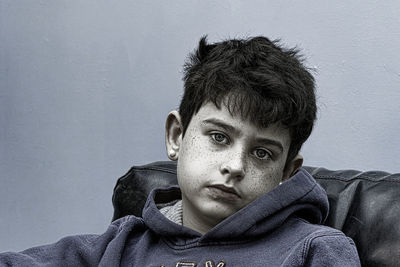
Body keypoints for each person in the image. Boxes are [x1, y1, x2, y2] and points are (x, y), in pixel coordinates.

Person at [0, 36, 361, 266]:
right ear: (176, 135)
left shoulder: (314, 250)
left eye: (262, 154)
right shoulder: (120, 245)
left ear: (288, 172)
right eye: (219, 137)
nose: (235, 166)